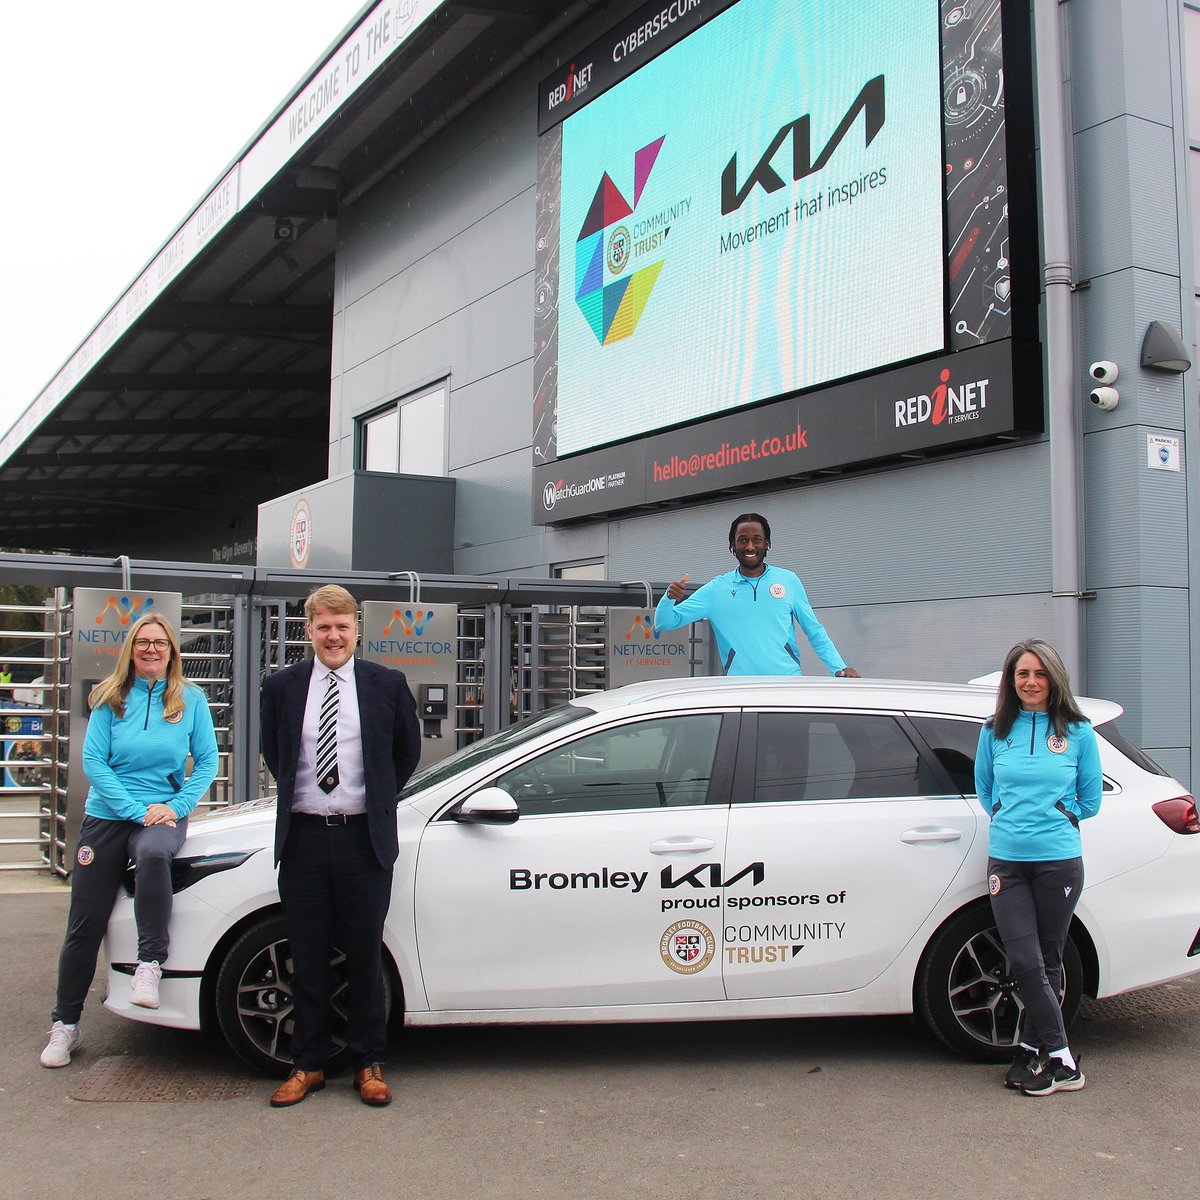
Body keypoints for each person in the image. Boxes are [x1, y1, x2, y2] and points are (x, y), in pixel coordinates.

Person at [260, 585, 420, 1108]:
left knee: (363, 956)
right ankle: (307, 1064)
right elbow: (275, 752)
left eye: (342, 626)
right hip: (304, 840)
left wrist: (367, 802)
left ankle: (367, 1063)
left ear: (357, 630)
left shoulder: (386, 684)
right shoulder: (281, 687)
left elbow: (404, 754)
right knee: (305, 956)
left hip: (363, 841)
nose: (334, 635)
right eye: (323, 626)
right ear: (308, 631)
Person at [40, 614, 218, 1068]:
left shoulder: (191, 700)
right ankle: (65, 1025)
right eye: (143, 643)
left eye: (160, 643)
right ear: (131, 650)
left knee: (156, 853)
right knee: (85, 922)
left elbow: (210, 760)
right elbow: (94, 762)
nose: (152, 650)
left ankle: (149, 966)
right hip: (109, 816)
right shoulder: (110, 697)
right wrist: (137, 810)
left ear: (172, 651)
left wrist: (176, 807)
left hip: (161, 815)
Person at [974, 638, 1103, 1096]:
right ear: (1011, 681)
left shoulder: (1079, 732)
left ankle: (1032, 1050)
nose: (1030, 682)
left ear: (1054, 678)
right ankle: (1063, 1058)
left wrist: (1058, 815)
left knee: (1047, 959)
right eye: (1022, 674)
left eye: (1039, 673)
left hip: (1059, 862)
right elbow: (986, 791)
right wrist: (1013, 817)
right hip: (1007, 862)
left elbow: (1090, 800)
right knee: (1025, 959)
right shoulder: (994, 730)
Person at [654, 512, 860, 677]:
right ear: (732, 546)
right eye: (742, 540)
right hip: (741, 692)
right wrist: (669, 598)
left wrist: (838, 668)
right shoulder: (717, 589)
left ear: (767, 544)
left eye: (757, 540)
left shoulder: (788, 581)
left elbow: (814, 631)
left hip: (788, 686)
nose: (750, 546)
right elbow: (665, 623)